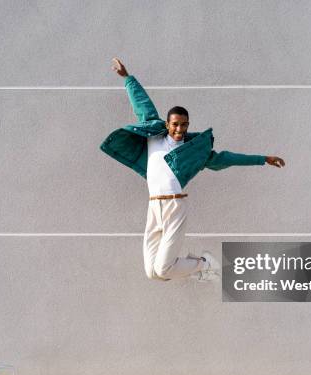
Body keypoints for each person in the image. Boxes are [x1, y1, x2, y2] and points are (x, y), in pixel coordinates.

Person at [100, 58, 285, 282]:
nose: (179, 129)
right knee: (152, 273)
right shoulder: (155, 137)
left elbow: (226, 158)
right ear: (167, 124)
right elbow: (142, 104)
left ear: (188, 125)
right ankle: (195, 268)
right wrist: (127, 78)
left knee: (163, 270)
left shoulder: (193, 151)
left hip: (174, 206)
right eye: (175, 124)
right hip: (153, 206)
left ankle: (204, 264)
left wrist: (263, 159)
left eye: (184, 124)